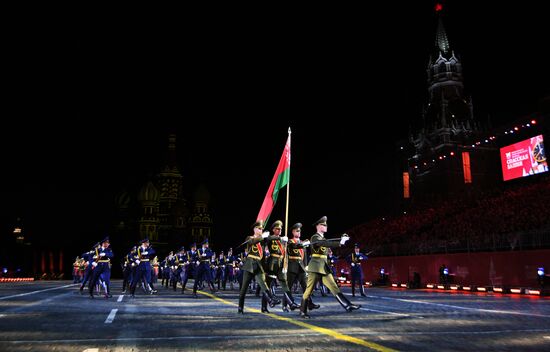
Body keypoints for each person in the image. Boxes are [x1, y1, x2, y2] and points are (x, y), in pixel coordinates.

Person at [300, 216, 360, 318]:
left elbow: (325, 243)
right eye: (323, 225)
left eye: (326, 224)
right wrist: (340, 242)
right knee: (309, 289)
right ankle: (303, 311)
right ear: (318, 226)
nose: (326, 226)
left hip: (324, 266)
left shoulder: (322, 238)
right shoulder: (315, 237)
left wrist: (341, 241)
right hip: (315, 267)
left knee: (334, 287)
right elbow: (324, 243)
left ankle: (347, 305)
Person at [238, 220, 281, 314]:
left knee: (263, 284)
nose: (261, 230)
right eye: (259, 228)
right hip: (249, 265)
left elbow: (271, 239)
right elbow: (253, 241)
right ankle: (240, 307)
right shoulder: (249, 238)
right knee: (244, 288)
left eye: (262, 229)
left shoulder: (263, 240)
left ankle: (270, 300)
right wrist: (262, 236)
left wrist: (280, 238)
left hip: (259, 265)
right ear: (254, 229)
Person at [264, 220, 300, 312]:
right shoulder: (271, 238)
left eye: (280, 229)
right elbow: (269, 239)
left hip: (280, 263)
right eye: (277, 229)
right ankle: (264, 307)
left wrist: (285, 264)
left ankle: (291, 303)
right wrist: (280, 239)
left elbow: (284, 253)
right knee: (267, 286)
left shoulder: (283, 240)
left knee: (284, 284)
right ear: (273, 230)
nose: (279, 230)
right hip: (272, 263)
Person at [286, 222, 319, 312]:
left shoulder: (302, 242)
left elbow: (304, 255)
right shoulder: (290, 242)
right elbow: (295, 246)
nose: (299, 232)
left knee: (306, 286)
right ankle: (285, 305)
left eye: (300, 231)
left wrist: (306, 265)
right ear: (293, 232)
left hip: (301, 267)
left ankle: (310, 304)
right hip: (292, 267)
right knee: (288, 287)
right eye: (297, 231)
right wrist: (303, 244)